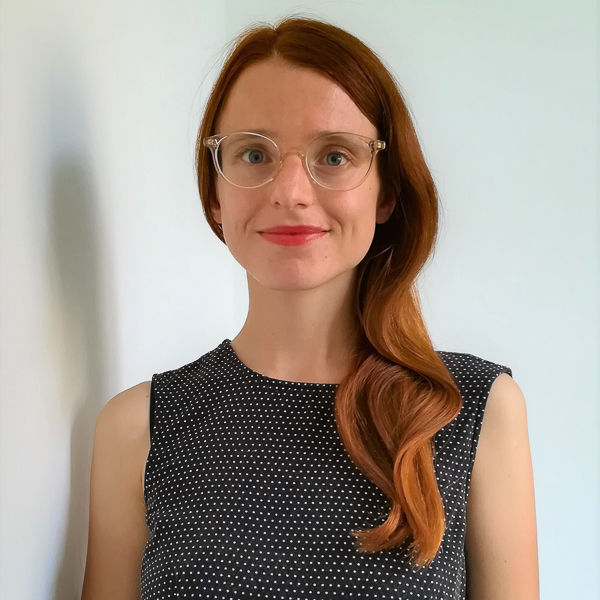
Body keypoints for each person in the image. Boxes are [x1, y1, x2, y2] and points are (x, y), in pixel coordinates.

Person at [81, 15, 539, 600]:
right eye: (253, 153)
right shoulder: (137, 431)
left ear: (386, 191)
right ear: (215, 192)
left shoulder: (473, 411)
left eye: (335, 155)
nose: (290, 192)